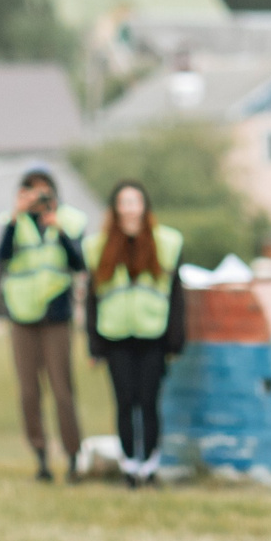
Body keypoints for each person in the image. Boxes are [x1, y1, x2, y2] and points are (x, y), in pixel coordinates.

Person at [84, 180, 187, 490]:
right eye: (124, 202)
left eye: (135, 201)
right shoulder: (98, 246)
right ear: (115, 208)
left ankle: (150, 467)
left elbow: (176, 296)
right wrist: (93, 344)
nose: (130, 208)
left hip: (153, 335)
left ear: (145, 206)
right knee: (125, 402)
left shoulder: (166, 242)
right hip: (115, 336)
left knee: (149, 402)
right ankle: (130, 467)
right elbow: (92, 298)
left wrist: (175, 339)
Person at [0, 166, 90, 482]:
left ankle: (73, 456)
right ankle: (40, 457)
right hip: (22, 315)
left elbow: (79, 262)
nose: (38, 198)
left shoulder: (70, 220)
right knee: (28, 391)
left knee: (63, 390)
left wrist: (59, 229)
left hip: (56, 314)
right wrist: (15, 216)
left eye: (43, 192)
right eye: (31, 192)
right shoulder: (14, 222)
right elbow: (2, 256)